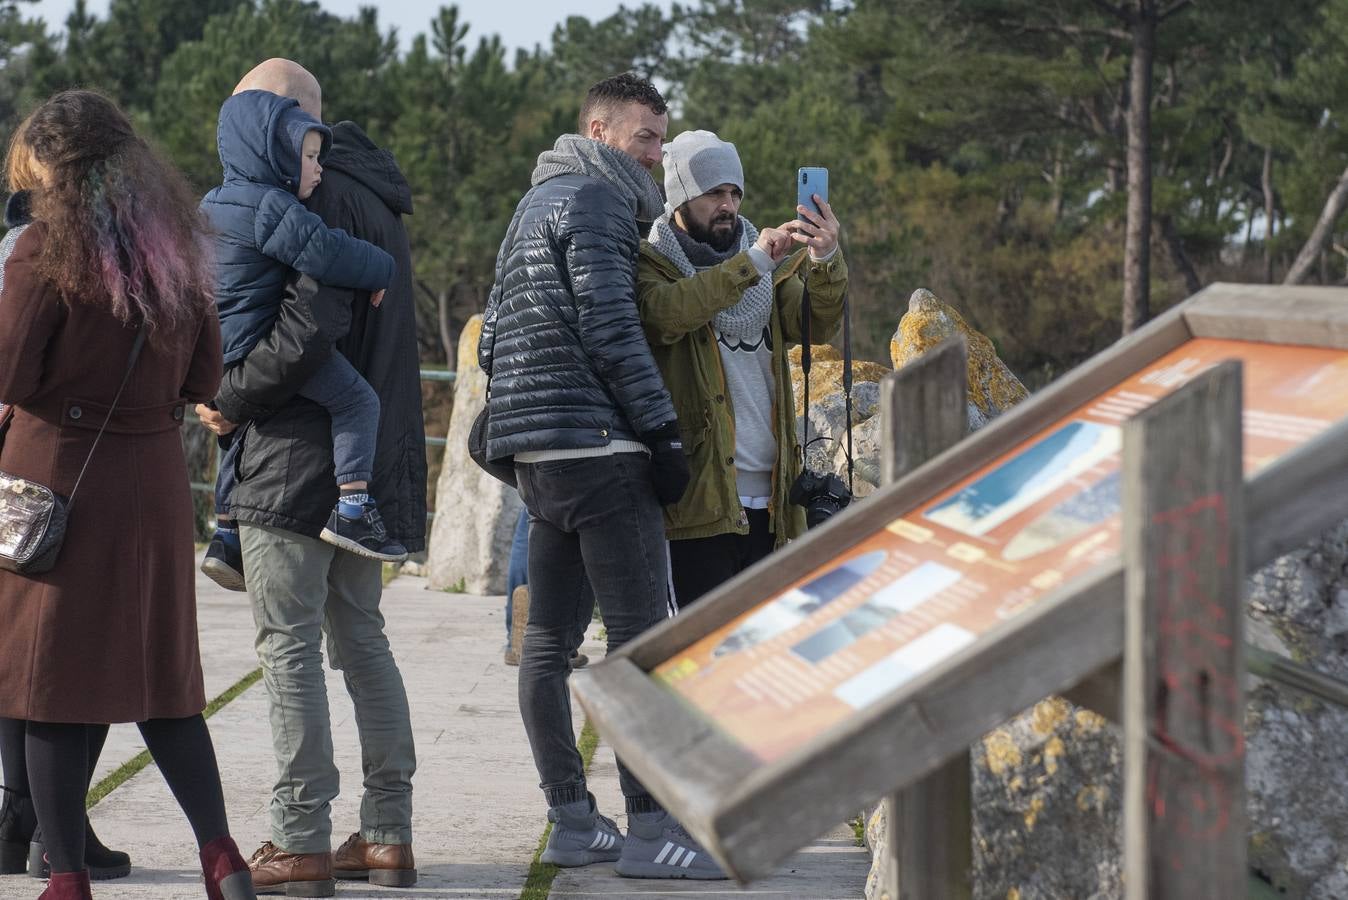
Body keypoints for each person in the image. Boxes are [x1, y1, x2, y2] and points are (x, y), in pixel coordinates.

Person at [0, 89, 254, 900]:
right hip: (154, 481)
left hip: (62, 479)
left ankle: (66, 877)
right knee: (164, 684)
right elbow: (206, 375)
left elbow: (8, 371)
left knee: (49, 688)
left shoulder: (44, 251)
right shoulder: (177, 246)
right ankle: (223, 859)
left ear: (54, 167)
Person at [479, 72, 723, 880]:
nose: (657, 156)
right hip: (599, 449)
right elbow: (614, 328)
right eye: (645, 138)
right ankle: (654, 832)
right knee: (638, 645)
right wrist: (662, 432)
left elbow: (488, 345)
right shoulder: (597, 202)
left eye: (662, 138)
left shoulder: (531, 203)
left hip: (538, 460)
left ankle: (575, 822)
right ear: (599, 129)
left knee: (547, 643)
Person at [194, 58, 423, 897]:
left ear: (284, 122)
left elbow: (307, 325)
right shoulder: (384, 201)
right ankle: (389, 833)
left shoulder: (308, 195)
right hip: (371, 461)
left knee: (288, 647)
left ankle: (301, 837)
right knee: (363, 642)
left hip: (295, 456)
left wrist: (225, 399)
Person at [198, 87, 407, 592]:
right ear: (274, 153)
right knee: (358, 401)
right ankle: (354, 504)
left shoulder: (208, 203)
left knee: (237, 429)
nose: (318, 169)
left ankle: (226, 528)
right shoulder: (271, 207)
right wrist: (382, 267)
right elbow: (326, 252)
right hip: (257, 345)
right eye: (310, 157)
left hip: (214, 349)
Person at [637, 131, 847, 607]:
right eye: (714, 193)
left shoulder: (761, 264)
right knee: (698, 651)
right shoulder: (651, 266)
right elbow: (670, 314)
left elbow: (816, 323)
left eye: (734, 193)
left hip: (772, 502)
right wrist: (752, 264)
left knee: (754, 649)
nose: (728, 205)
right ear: (680, 199)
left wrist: (823, 257)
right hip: (698, 502)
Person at [0, 119, 131, 885]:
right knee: (51, 650)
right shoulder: (56, 244)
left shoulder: (34, 239)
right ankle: (53, 825)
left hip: (29, 460)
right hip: (40, 460)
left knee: (25, 647)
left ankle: (29, 818)